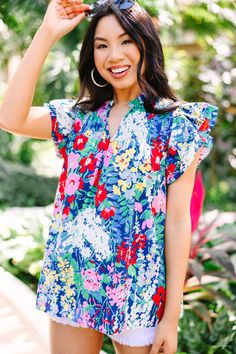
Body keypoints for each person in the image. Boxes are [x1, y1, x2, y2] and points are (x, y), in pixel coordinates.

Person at [0, 0, 219, 353]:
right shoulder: (78, 118)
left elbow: (178, 222)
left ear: (146, 44)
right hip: (72, 283)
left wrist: (171, 316)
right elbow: (10, 117)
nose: (114, 55)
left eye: (126, 40)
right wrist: (47, 32)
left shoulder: (178, 124)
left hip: (138, 289)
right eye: (102, 45)